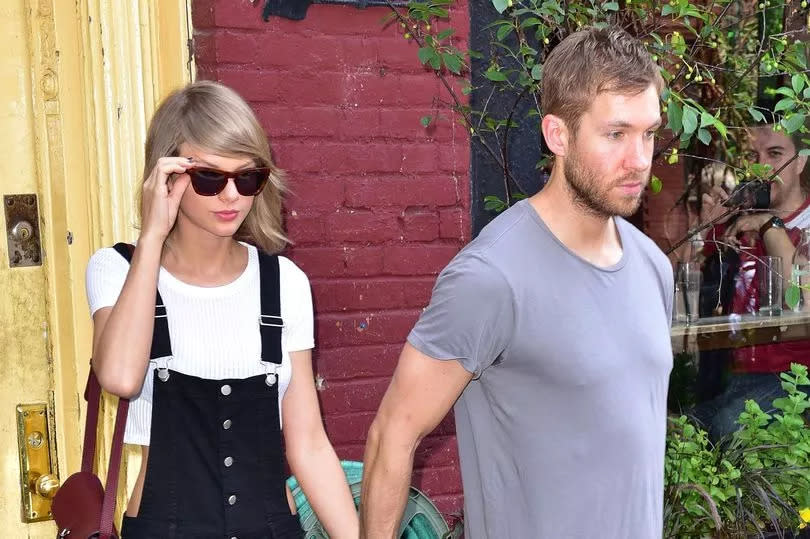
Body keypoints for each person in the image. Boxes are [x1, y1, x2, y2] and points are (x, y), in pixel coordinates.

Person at [360, 27, 673, 539]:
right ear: (558, 136)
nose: (639, 158)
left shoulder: (652, 267)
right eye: (616, 134)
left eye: (649, 133)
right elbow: (391, 434)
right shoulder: (491, 278)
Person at [86, 80, 358, 538]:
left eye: (247, 177)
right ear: (167, 176)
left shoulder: (283, 284)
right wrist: (152, 237)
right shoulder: (118, 270)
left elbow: (308, 443)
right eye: (210, 178)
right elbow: (119, 377)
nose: (232, 196)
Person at [693, 120, 810, 440]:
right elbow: (681, 281)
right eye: (752, 155)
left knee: (727, 428)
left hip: (796, 381)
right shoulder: (736, 219)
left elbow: (795, 301)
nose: (760, 166)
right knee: (681, 429)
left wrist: (769, 225)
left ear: (800, 161)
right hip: (733, 376)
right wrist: (702, 230)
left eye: (774, 153)